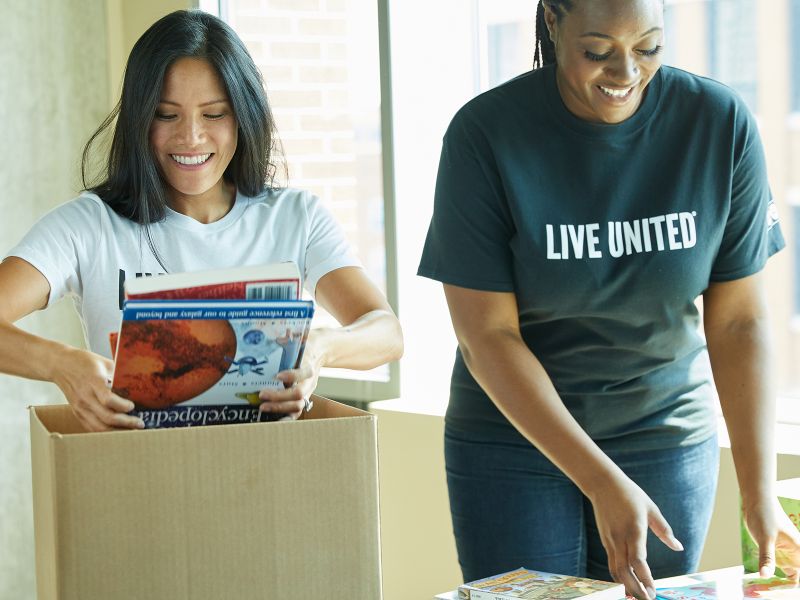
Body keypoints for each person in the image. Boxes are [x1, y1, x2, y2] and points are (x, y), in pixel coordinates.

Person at [417, 1, 800, 599]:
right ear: (552, 22)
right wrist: (600, 479)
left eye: (648, 48)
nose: (625, 72)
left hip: (663, 433)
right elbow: (486, 335)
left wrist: (757, 490)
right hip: (515, 440)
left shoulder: (718, 123)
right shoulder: (485, 134)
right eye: (597, 51)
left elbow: (740, 323)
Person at [0, 9, 402, 431]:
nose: (190, 137)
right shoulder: (87, 224)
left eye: (214, 114)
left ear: (244, 117)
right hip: (135, 477)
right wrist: (62, 364)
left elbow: (387, 333)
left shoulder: (296, 217)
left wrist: (319, 348)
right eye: (166, 114)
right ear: (140, 119)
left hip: (269, 475)